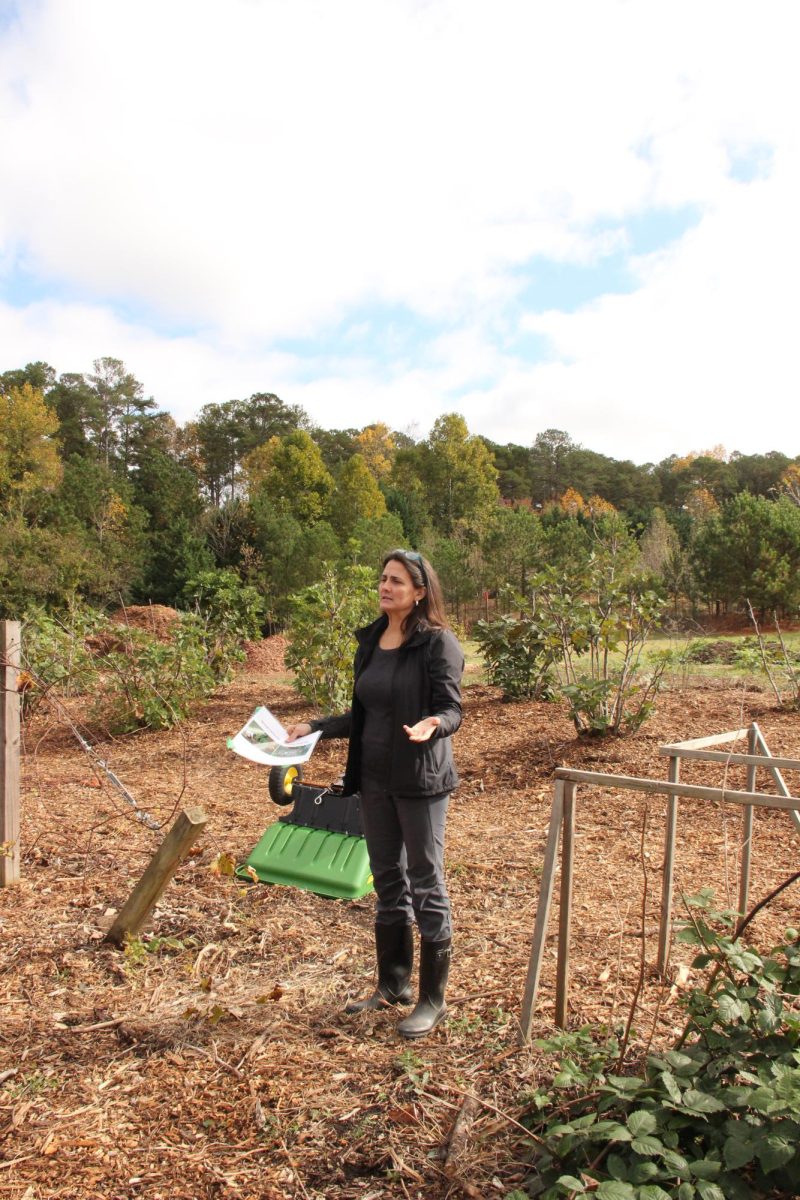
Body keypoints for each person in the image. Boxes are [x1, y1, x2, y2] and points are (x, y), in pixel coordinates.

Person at [286, 549, 464, 1038]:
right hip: (375, 780)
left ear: (420, 592)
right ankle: (393, 984)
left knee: (425, 881)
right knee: (388, 880)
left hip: (421, 781)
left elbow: (452, 708)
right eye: (383, 579)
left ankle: (432, 999)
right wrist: (315, 727)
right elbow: (364, 715)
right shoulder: (371, 641)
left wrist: (435, 724)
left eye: (398, 582)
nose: (386, 587)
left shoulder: (437, 644)